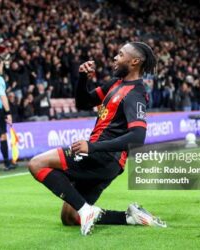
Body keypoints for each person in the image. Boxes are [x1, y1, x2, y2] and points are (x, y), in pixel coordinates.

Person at [28, 42, 166, 236]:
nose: (115, 58)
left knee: (37, 164)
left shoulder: (135, 94)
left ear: (134, 61)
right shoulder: (115, 84)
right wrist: (82, 79)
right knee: (69, 217)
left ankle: (87, 210)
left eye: (120, 54)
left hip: (103, 156)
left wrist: (91, 147)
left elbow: (137, 137)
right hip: (105, 160)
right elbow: (83, 102)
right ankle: (130, 217)